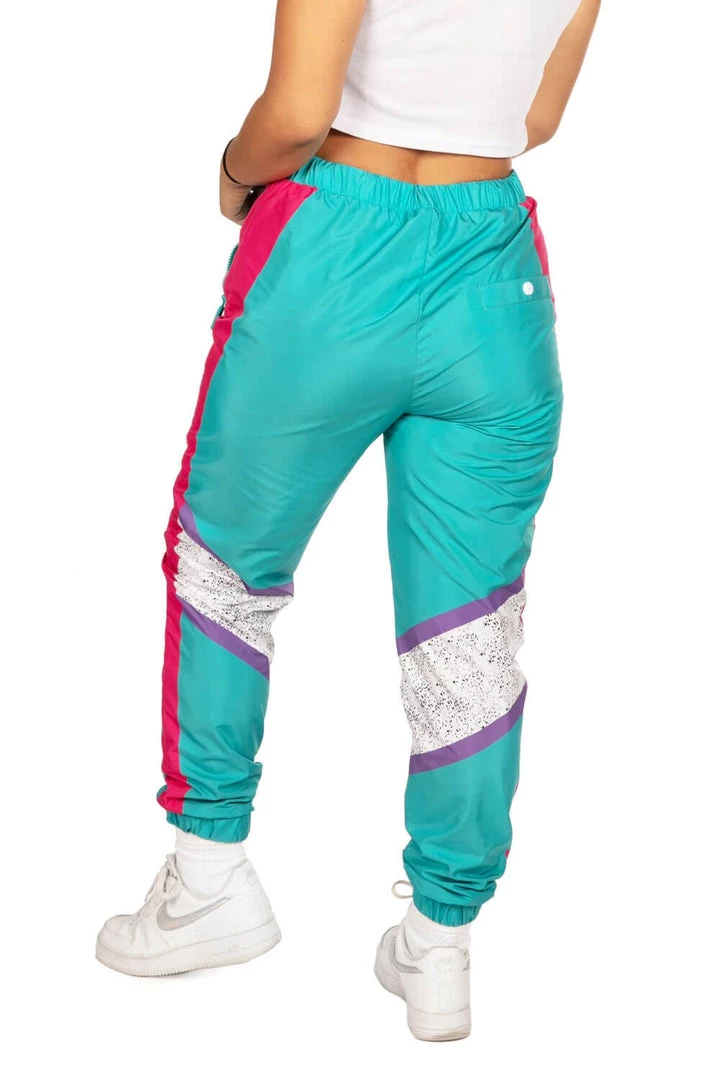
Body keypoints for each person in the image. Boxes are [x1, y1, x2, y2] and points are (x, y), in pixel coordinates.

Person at [96, 0, 601, 1042]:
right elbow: (536, 115)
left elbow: (295, 112)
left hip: (332, 253)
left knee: (225, 568)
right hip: (491, 269)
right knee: (471, 631)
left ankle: (208, 881)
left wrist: (235, 176)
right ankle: (441, 940)